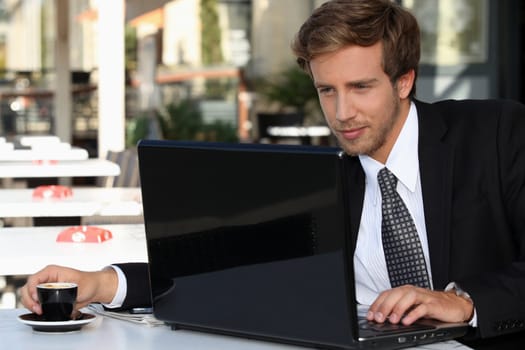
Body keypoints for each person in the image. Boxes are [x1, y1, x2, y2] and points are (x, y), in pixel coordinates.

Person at [20, 0, 525, 347]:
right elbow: (224, 262)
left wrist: (463, 303)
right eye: (327, 90)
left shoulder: (494, 134)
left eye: (360, 87)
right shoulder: (328, 178)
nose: (342, 112)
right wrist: (100, 283)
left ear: (404, 81)